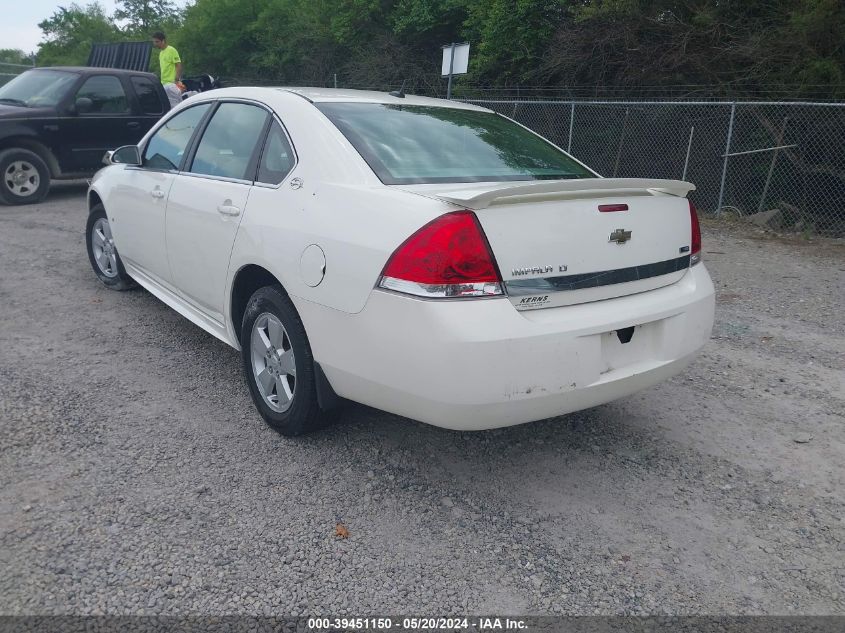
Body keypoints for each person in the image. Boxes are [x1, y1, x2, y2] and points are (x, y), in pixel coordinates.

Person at [151, 31, 183, 108]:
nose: (155, 44)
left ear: (163, 41)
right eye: (154, 42)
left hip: (171, 84)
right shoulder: (161, 53)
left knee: (176, 108)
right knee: (170, 108)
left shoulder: (171, 50)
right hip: (164, 84)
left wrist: (176, 80)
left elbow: (178, 65)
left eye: (157, 42)